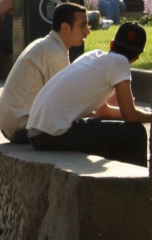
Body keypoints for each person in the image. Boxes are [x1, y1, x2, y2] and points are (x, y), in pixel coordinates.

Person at [27, 22, 151, 166]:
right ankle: (140, 185)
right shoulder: (120, 62)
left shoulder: (92, 56)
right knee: (136, 132)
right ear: (135, 58)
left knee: (114, 129)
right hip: (53, 135)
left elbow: (103, 112)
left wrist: (138, 113)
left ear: (111, 45)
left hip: (36, 133)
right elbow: (131, 117)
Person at [0, 2, 87, 143]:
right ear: (65, 28)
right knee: (89, 130)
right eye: (83, 25)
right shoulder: (54, 53)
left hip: (14, 125)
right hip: (21, 128)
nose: (87, 31)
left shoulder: (49, 45)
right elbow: (62, 104)